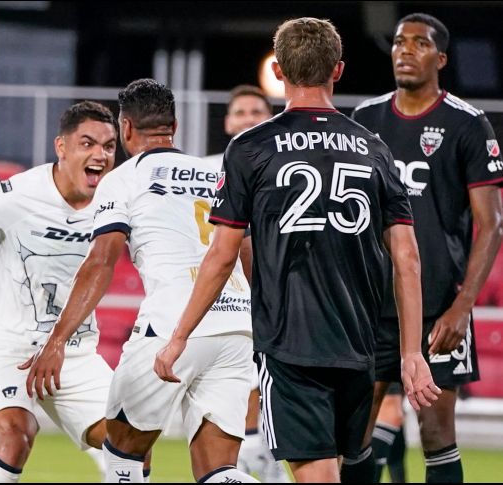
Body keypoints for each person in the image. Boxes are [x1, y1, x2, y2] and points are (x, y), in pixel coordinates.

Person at [171, 17, 442, 483]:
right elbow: (407, 257)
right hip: (359, 344)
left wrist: (178, 336)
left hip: (292, 344)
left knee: (317, 474)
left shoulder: (251, 147)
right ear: (337, 70)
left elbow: (221, 256)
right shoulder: (375, 149)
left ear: (278, 71)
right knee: (335, 468)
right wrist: (411, 352)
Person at [22, 78, 257, 484]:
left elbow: (101, 260)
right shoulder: (216, 171)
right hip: (237, 324)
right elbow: (247, 254)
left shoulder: (125, 177)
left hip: (172, 327)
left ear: (126, 128)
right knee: (218, 471)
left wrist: (57, 339)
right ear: (175, 127)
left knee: (122, 452)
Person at [346, 12, 503, 483]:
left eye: (418, 43)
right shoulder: (366, 119)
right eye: (398, 42)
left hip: (439, 308)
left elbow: (490, 223)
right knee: (353, 437)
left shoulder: (468, 124)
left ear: (441, 57)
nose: (405, 51)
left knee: (436, 434)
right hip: (372, 305)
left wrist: (462, 307)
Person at [0, 101, 121, 483]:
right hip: (10, 343)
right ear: (61, 147)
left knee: (126, 445)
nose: (100, 155)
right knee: (14, 437)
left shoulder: (118, 200)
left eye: (109, 147)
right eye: (87, 144)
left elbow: (108, 266)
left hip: (73, 349)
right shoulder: (17, 192)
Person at [207, 84, 289, 483]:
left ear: (271, 118)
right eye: (240, 112)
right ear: (226, 121)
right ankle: (250, 458)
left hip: (276, 300)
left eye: (257, 111)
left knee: (268, 386)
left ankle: (263, 456)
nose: (248, 119)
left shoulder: (289, 171)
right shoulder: (205, 170)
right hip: (222, 302)